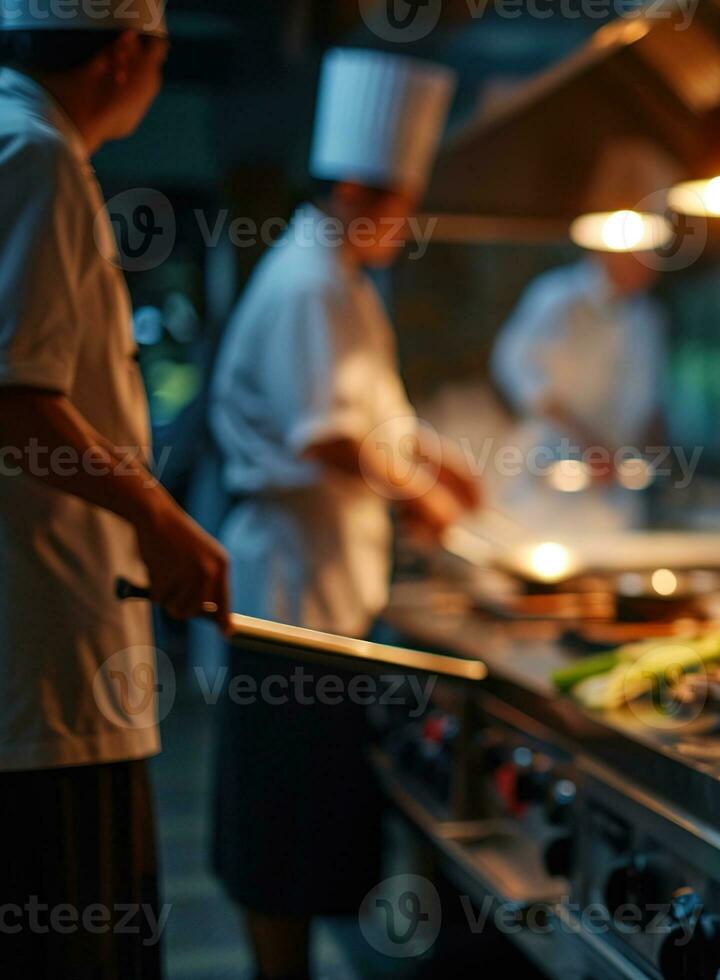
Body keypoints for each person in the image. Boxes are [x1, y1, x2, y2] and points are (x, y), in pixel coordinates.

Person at [205, 48, 476, 978]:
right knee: (276, 835)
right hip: (290, 603)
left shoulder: (342, 280)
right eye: (401, 202)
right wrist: (426, 492)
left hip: (325, 601)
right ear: (360, 189)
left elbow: (377, 418)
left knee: (307, 830)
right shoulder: (310, 281)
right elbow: (326, 440)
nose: (406, 225)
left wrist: (441, 463)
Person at [0, 3, 232, 975]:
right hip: (46, 645)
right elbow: (15, 401)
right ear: (127, 52)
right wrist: (162, 519)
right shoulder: (35, 153)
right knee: (79, 939)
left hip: (56, 635)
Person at [491, 247, 668, 535]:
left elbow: (645, 400)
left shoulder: (647, 318)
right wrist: (586, 438)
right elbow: (515, 367)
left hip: (615, 485)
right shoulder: (555, 298)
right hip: (548, 471)